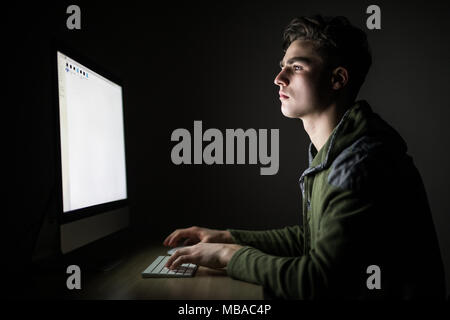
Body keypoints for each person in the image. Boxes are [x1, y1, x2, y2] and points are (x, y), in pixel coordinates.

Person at [164, 15, 446, 299]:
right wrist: (226, 237)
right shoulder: (338, 150)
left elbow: (318, 280)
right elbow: (312, 239)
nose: (279, 78)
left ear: (337, 79)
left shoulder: (360, 164)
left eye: (296, 67)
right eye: (282, 67)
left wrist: (228, 255)